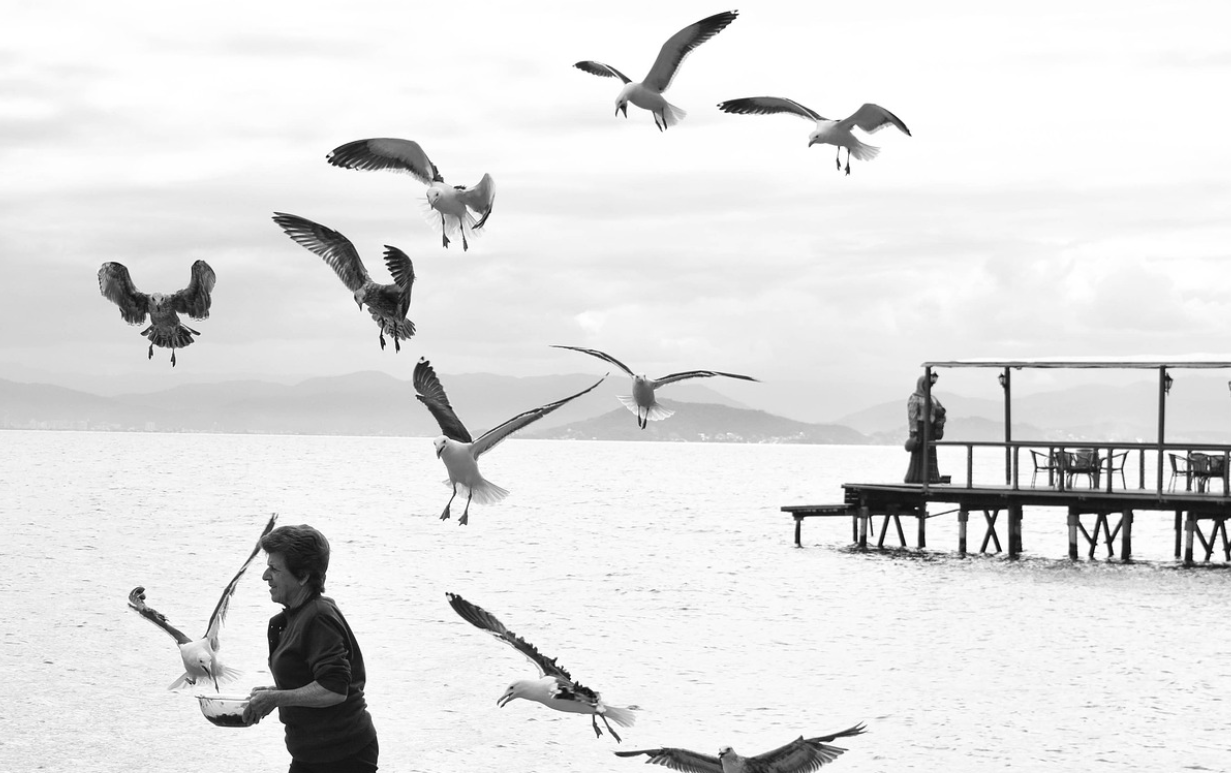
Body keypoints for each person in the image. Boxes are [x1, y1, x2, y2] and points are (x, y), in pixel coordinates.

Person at [243, 524, 378, 773]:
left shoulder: (318, 617)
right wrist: (274, 694)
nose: (265, 576)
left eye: (274, 568)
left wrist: (277, 697)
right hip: (311, 755)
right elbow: (313, 679)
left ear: (303, 576)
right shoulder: (292, 618)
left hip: (343, 755)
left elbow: (334, 688)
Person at [904, 373, 946, 483]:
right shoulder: (915, 398)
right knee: (919, 454)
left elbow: (941, 411)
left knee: (930, 452)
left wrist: (939, 416)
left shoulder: (932, 398)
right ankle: (917, 477)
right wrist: (913, 431)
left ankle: (931, 476)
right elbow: (912, 415)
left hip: (930, 429)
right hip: (920, 429)